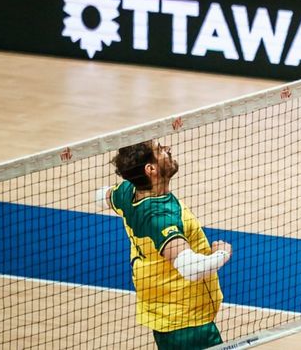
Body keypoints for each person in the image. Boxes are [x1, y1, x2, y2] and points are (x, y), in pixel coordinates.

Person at [99, 140, 232, 350]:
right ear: (150, 169)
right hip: (187, 323)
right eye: (160, 150)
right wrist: (221, 254)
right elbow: (191, 268)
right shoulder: (160, 218)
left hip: (166, 315)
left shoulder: (127, 192)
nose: (168, 149)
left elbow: (102, 195)